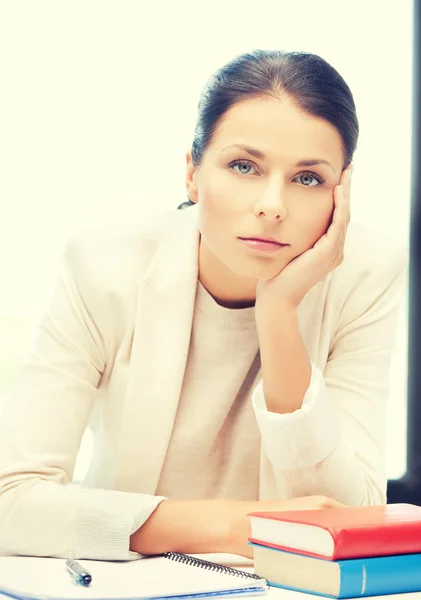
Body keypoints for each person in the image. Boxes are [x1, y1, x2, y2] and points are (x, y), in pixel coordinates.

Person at [0, 49, 407, 561]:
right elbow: (9, 500)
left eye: (308, 178)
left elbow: (351, 520)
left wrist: (278, 314)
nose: (272, 205)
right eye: (244, 166)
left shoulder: (367, 274)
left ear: (341, 193)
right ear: (192, 172)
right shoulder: (105, 268)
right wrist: (231, 524)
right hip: (122, 584)